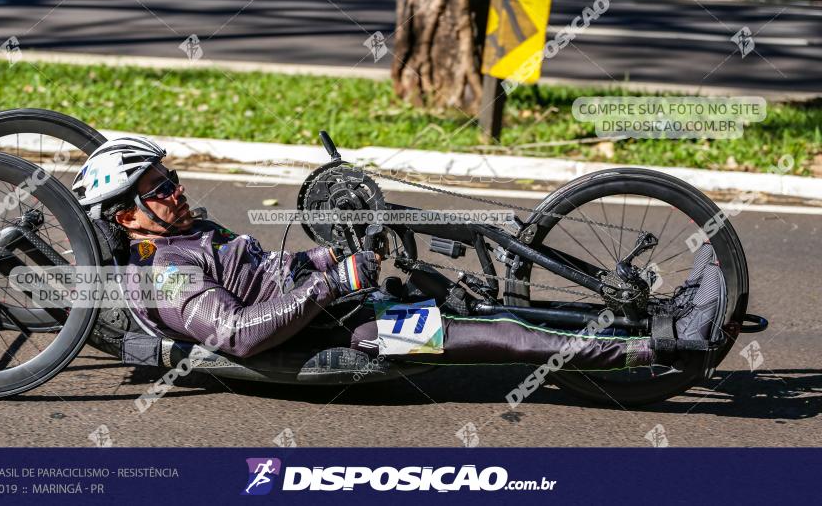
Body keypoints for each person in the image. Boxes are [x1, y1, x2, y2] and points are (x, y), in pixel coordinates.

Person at [71, 137, 723, 371]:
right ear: (127, 214)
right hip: (363, 331)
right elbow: (240, 335)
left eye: (171, 175)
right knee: (504, 335)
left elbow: (268, 271)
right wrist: (333, 283)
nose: (177, 188)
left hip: (343, 297)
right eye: (161, 187)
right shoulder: (170, 274)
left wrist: (330, 260)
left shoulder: (188, 234)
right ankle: (666, 346)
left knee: (479, 286)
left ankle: (656, 311)